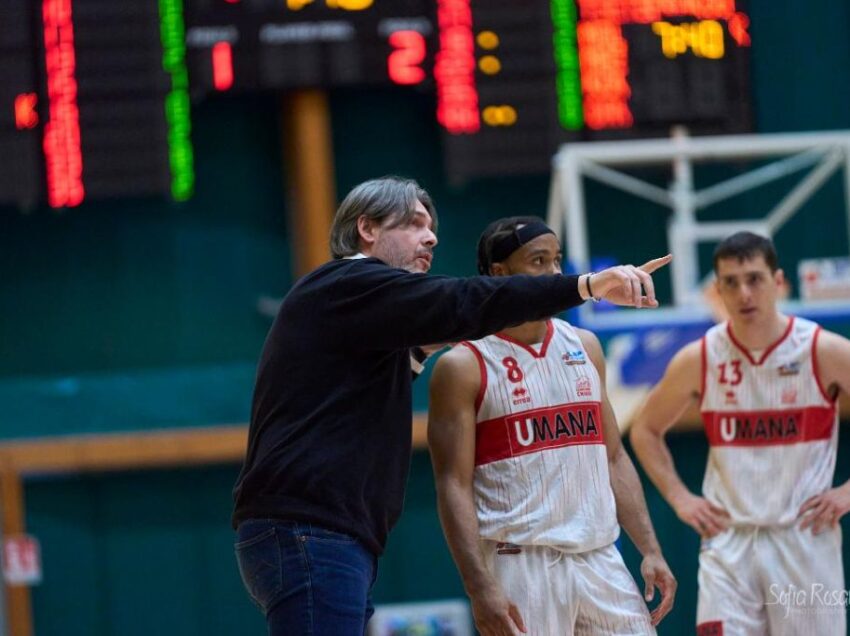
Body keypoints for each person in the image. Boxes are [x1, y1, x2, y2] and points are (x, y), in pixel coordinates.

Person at [232, 176, 672, 635]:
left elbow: (362, 386)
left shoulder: (355, 311)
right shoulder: (348, 282)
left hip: (323, 534)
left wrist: (422, 351)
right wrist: (585, 286)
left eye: (433, 227)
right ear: (367, 228)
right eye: (416, 224)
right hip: (311, 532)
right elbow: (459, 300)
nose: (432, 237)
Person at [428, 216, 677, 636]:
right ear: (499, 273)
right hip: (519, 565)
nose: (554, 274)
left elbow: (613, 456)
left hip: (599, 559)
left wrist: (650, 549)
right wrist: (479, 586)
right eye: (538, 261)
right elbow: (453, 485)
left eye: (557, 260)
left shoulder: (585, 346)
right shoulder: (463, 365)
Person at [630, 231, 850, 636]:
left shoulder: (822, 350)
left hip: (803, 541)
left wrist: (847, 493)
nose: (744, 292)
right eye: (731, 282)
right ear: (718, 290)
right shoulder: (700, 357)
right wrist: (680, 499)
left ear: (778, 282)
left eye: (754, 279)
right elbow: (644, 429)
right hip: (728, 545)